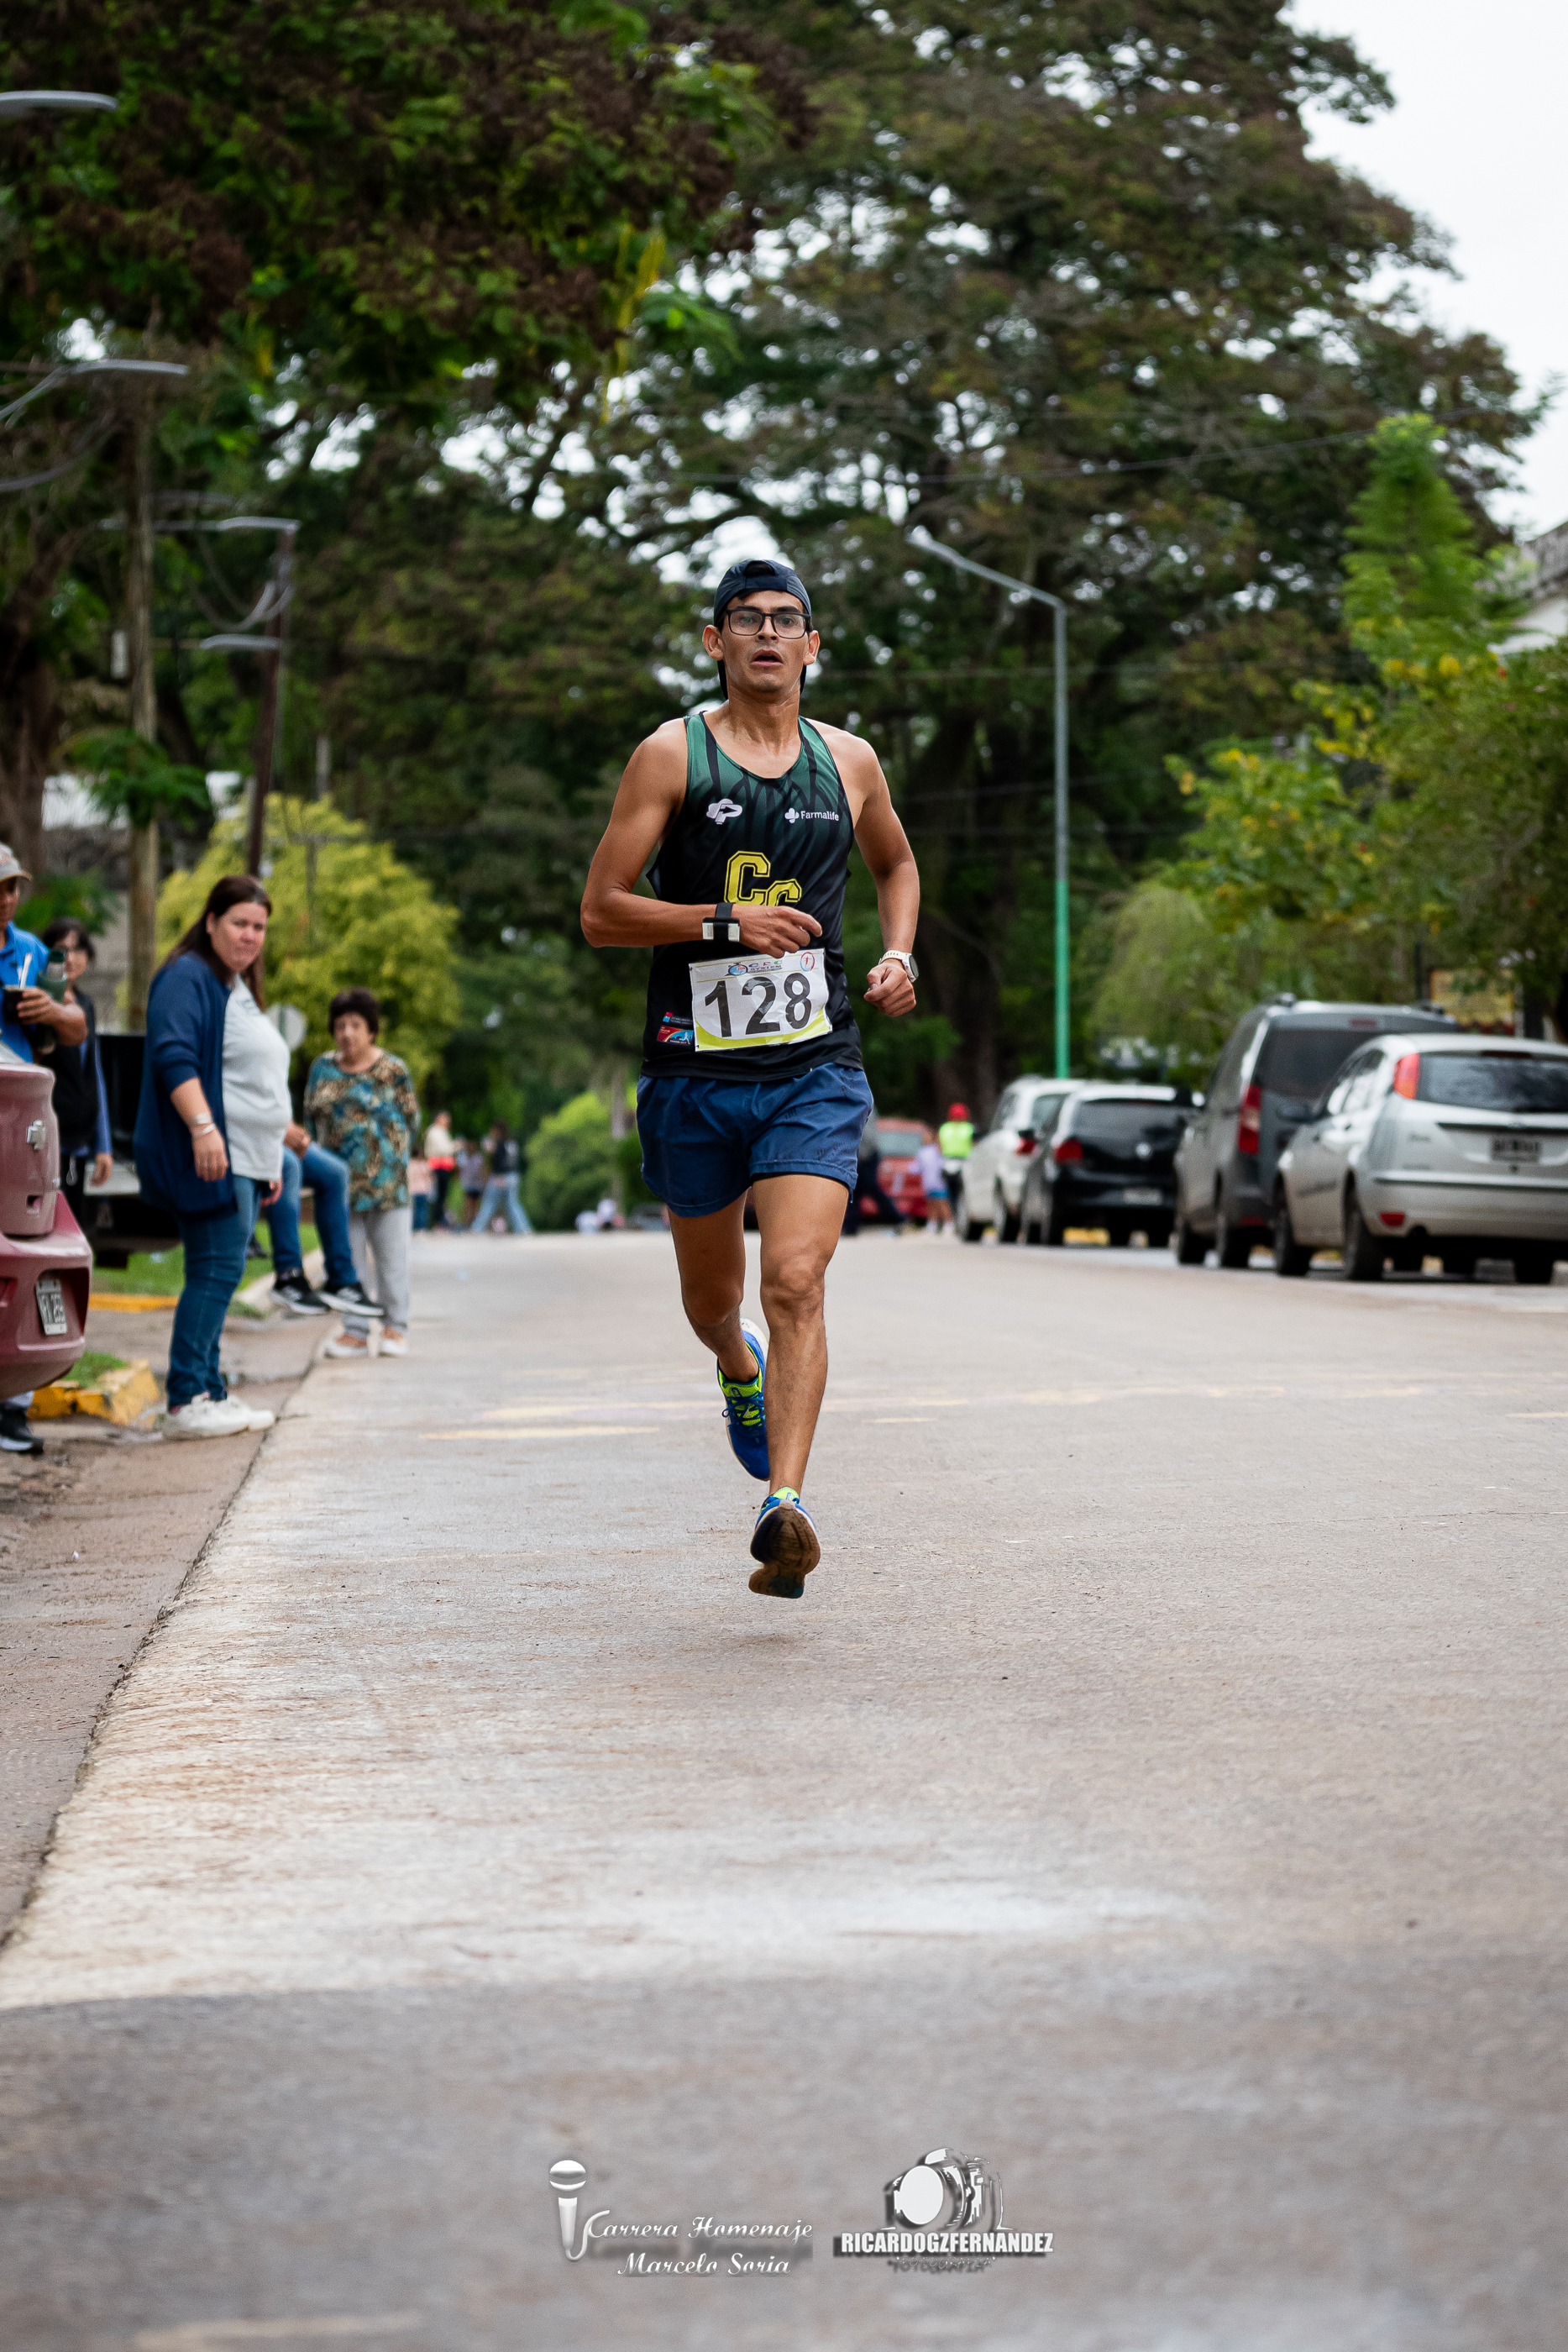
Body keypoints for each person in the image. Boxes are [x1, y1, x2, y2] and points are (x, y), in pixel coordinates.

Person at [580, 554, 920, 1600]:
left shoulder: (850, 761)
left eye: (787, 620)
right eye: (746, 619)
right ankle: (737, 1367)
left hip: (813, 1067)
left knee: (797, 1279)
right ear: (714, 640)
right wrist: (723, 923)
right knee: (716, 1299)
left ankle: (785, 1504)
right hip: (693, 1072)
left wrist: (899, 952)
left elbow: (895, 865)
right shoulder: (669, 754)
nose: (767, 635)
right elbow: (601, 910)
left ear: (813, 646)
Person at [132, 874, 286, 1439]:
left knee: (219, 1270)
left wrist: (265, 1155)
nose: (250, 936)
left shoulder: (224, 982)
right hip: (198, 1151)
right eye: (240, 923)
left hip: (236, 1156)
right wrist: (202, 1128)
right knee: (215, 1269)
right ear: (211, 922)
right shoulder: (185, 977)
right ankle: (187, 1397)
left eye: (260, 927)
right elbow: (173, 1058)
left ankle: (208, 1388)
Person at [0, 874, 90, 1455]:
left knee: (26, 1245)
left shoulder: (32, 951)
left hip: (20, 1116)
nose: (5, 899)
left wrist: (53, 1010)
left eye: (12, 889)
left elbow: (78, 1028)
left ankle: (14, 1404)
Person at [304, 988, 419, 1360]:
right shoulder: (321, 1069)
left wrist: (392, 1157)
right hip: (338, 1186)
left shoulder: (393, 1070)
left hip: (387, 1185)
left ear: (371, 1030)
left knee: (391, 1261)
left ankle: (394, 1329)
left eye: (356, 1025)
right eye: (340, 1026)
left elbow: (411, 1119)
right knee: (348, 1263)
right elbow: (310, 1119)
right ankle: (354, 1332)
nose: (347, 1033)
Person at [264, 1121, 385, 1321]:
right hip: (249, 1131)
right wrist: (276, 1128)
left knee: (335, 1173)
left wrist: (290, 1127)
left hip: (273, 1126)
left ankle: (341, 1280)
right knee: (289, 1165)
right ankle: (288, 1276)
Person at [38, 915, 113, 1234]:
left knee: (74, 1232)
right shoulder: (38, 1001)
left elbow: (94, 1073)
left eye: (78, 949)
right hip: (47, 1139)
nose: (70, 958)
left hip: (80, 1141)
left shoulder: (87, 1005)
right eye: (61, 949)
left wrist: (104, 1145)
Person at [842, 1090, 905, 1236]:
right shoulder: (852, 1103)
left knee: (872, 1188)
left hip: (867, 1155)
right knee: (854, 1191)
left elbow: (868, 1135)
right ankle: (851, 1227)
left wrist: (862, 1154)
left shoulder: (862, 1103)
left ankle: (896, 1218)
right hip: (858, 1155)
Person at [473, 1122, 532, 1233]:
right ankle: (524, 1228)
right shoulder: (511, 1143)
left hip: (501, 1177)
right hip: (514, 1176)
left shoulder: (499, 1144)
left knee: (489, 1203)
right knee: (513, 1204)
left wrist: (500, 1176)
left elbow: (501, 1161)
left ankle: (477, 1228)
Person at [914, 1123, 952, 1233]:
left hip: (939, 1182)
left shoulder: (937, 1149)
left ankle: (948, 1223)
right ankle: (932, 1223)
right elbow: (918, 1166)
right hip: (928, 1183)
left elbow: (943, 1161)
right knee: (931, 1204)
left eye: (928, 1136)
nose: (925, 1138)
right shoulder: (922, 1151)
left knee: (942, 1202)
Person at [423, 1110, 456, 1228]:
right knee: (438, 1196)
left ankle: (440, 1220)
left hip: (444, 1167)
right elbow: (443, 1149)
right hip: (438, 1167)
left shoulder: (442, 1132)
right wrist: (455, 1146)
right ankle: (437, 1221)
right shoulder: (435, 1132)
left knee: (442, 1195)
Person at [938, 1100, 974, 1205]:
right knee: (965, 1191)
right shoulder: (969, 1128)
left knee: (950, 1191)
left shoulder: (944, 1128)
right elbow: (974, 1145)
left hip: (947, 1162)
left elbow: (939, 1147)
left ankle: (952, 1212)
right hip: (965, 1162)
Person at [455, 1136, 486, 1226]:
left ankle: (475, 1224)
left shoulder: (479, 1158)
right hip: (467, 1184)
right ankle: (467, 1223)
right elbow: (459, 1171)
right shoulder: (463, 1157)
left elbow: (483, 1170)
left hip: (477, 1185)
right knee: (467, 1205)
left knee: (476, 1206)